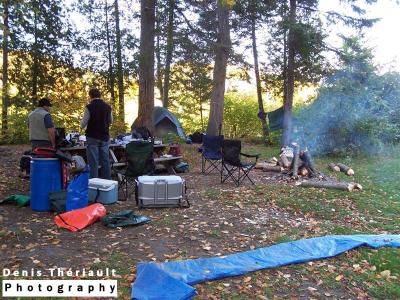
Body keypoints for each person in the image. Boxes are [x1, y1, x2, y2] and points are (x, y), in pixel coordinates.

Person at [80, 88, 113, 179]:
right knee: (105, 161)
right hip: (104, 137)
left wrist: (81, 126)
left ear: (90, 96)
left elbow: (83, 124)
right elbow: (111, 121)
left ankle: (94, 184)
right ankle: (108, 183)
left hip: (92, 137)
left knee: (93, 162)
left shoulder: (89, 107)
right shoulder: (108, 107)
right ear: (100, 95)